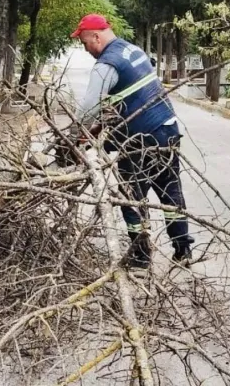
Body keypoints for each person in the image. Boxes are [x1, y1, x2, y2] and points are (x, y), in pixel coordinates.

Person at [70, 14, 195, 269]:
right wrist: (97, 132)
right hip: (167, 131)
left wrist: (74, 136)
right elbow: (130, 99)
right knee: (170, 192)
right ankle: (183, 250)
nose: (86, 49)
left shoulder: (107, 63)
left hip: (139, 140)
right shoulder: (132, 50)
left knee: (131, 197)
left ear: (96, 36)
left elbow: (88, 109)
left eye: (85, 43)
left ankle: (140, 257)